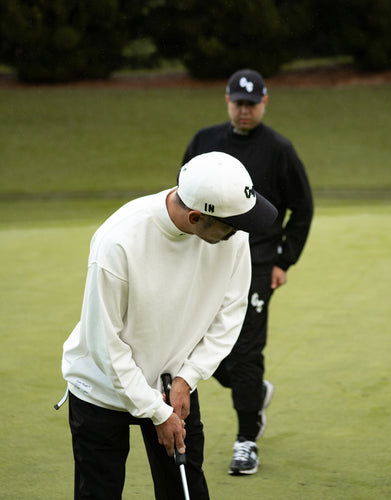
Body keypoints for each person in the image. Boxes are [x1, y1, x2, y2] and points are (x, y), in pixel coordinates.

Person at [58, 151, 277, 500]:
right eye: (232, 226)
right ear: (195, 217)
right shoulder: (118, 241)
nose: (241, 233)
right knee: (97, 493)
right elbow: (105, 344)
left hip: (173, 384)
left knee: (184, 490)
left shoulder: (230, 230)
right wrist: (155, 412)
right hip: (101, 389)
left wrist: (187, 377)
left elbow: (230, 314)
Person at [183, 69, 313, 475]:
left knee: (246, 349)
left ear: (264, 102)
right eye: (238, 103)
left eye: (251, 104)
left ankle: (246, 440)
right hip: (207, 257)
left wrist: (282, 260)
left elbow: (302, 208)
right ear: (227, 101)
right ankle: (254, 393)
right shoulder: (205, 141)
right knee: (194, 343)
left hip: (256, 264)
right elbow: (185, 193)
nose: (244, 110)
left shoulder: (279, 149)